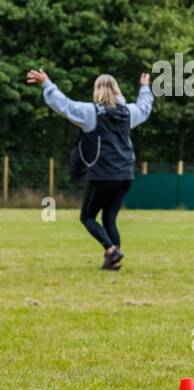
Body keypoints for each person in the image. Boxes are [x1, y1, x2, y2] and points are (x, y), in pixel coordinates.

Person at [27, 68, 153, 270]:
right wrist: (145, 88)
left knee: (87, 217)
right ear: (117, 90)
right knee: (109, 218)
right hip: (126, 175)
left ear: (97, 90)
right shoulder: (128, 113)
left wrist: (47, 84)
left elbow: (64, 105)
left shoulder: (91, 113)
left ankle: (111, 250)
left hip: (104, 174)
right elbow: (144, 108)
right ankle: (113, 261)